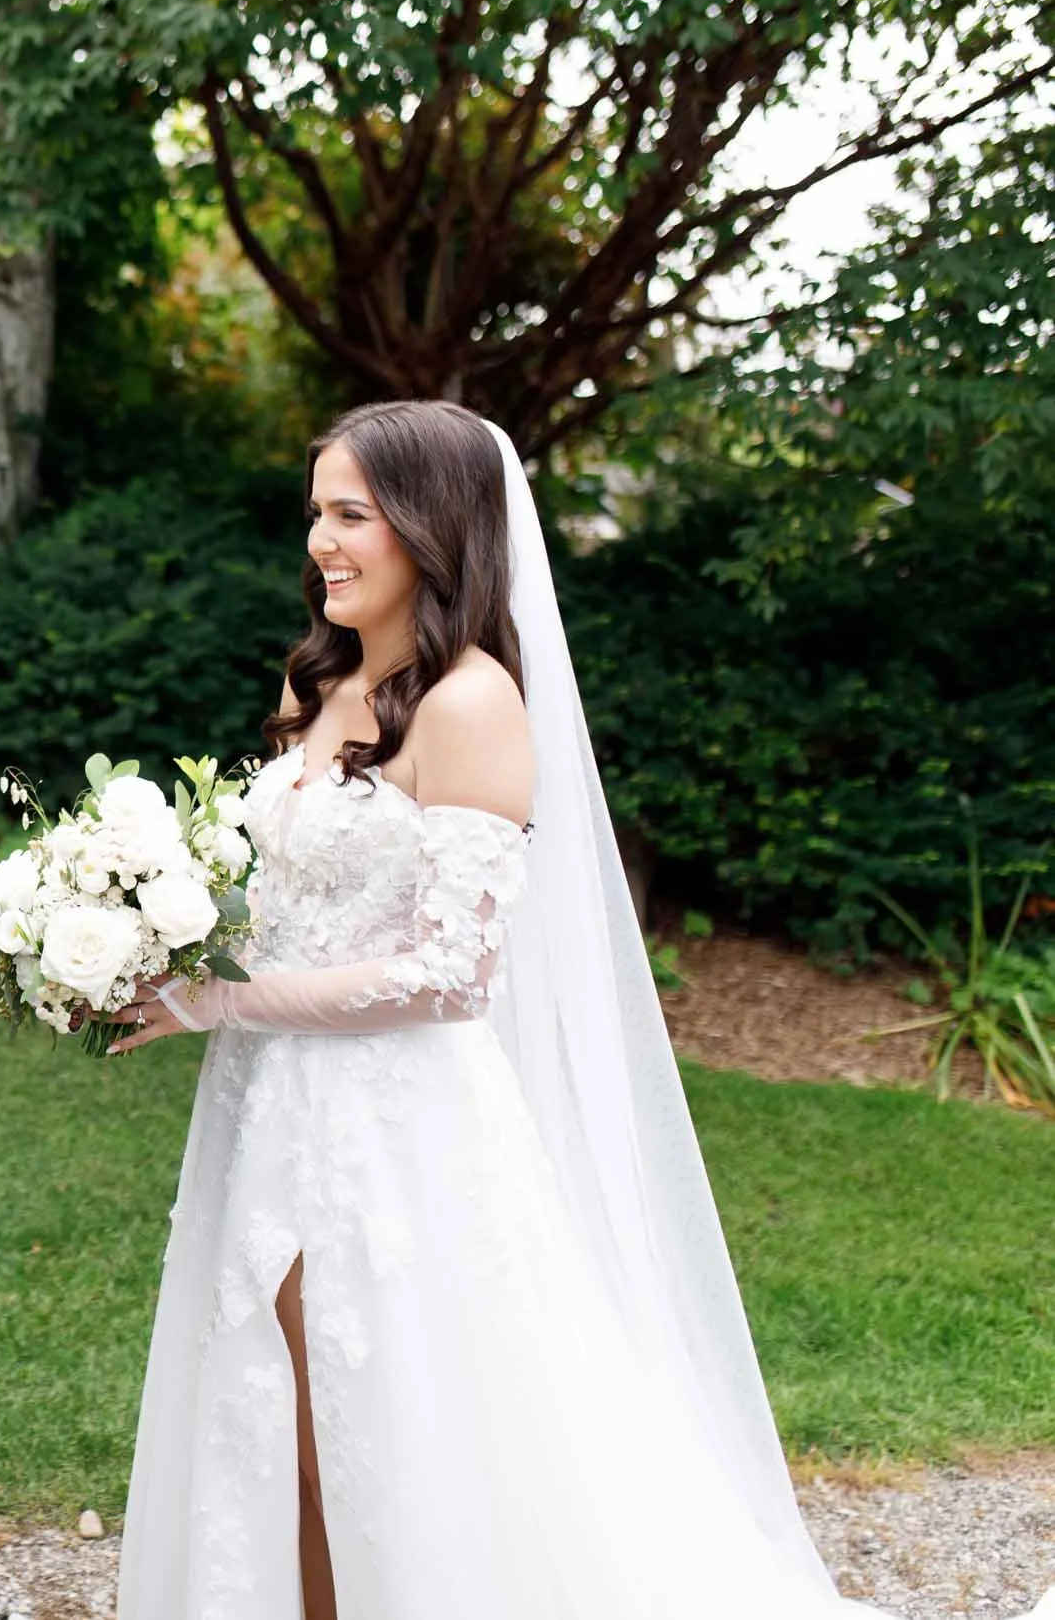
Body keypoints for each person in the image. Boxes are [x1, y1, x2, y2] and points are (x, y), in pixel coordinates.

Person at [103, 401, 1047, 1618]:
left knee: (378, 1428)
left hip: (392, 1128)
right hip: (267, 1101)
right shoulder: (318, 683)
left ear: (431, 529)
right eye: (316, 513)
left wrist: (218, 998)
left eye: (351, 514)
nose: (322, 542)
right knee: (271, 1411)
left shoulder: (472, 704)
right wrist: (142, 918)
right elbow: (283, 887)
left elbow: (451, 973)